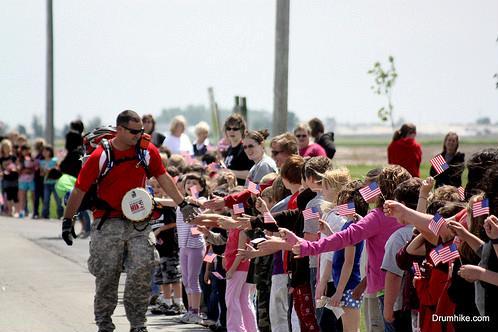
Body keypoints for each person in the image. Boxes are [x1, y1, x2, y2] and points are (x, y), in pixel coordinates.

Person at [61, 110, 198, 332]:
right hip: (108, 222)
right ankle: (104, 323)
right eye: (134, 131)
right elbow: (79, 190)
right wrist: (68, 221)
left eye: (141, 131)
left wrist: (182, 204)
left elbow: (163, 177)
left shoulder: (146, 151)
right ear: (120, 130)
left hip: (139, 221)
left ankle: (138, 324)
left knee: (143, 268)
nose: (138, 135)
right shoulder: (100, 156)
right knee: (107, 274)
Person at [222, 114, 254, 185]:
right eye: (228, 128)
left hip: (243, 191)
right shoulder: (229, 149)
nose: (231, 131)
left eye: (235, 129)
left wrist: (229, 171)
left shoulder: (245, 148)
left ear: (242, 131)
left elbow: (251, 174)